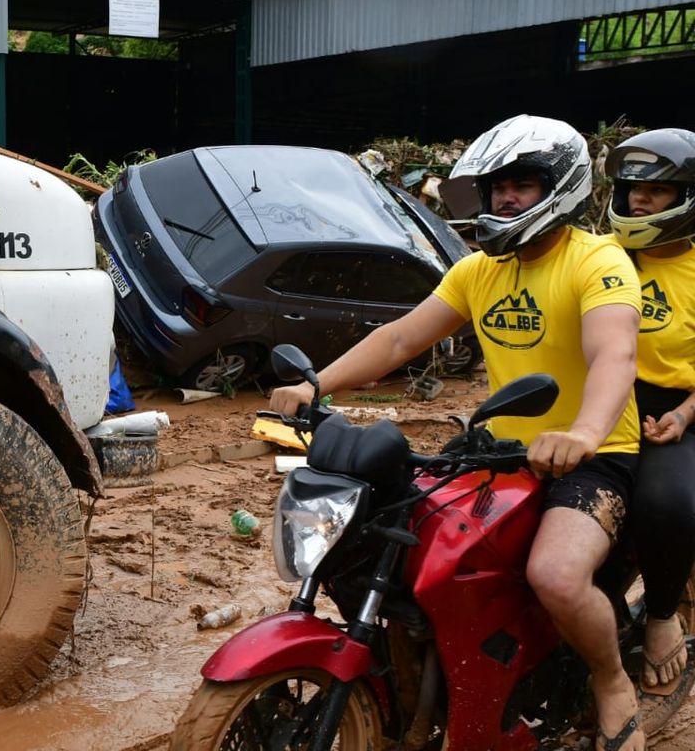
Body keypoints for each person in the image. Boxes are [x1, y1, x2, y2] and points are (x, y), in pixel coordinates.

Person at [270, 115, 645, 751]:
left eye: (523, 184)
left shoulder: (598, 261)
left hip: (592, 457)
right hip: (496, 455)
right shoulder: (478, 271)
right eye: (498, 186)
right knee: (390, 545)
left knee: (555, 575)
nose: (506, 198)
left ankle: (611, 682)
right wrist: (316, 386)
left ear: (561, 187)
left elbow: (615, 352)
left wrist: (582, 432)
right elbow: (400, 338)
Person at [606, 128, 695, 717]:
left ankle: (662, 614)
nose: (639, 200)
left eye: (657, 190)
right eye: (633, 188)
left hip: (676, 407)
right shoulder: (602, 257)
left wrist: (683, 415)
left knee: (664, 503)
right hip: (604, 400)